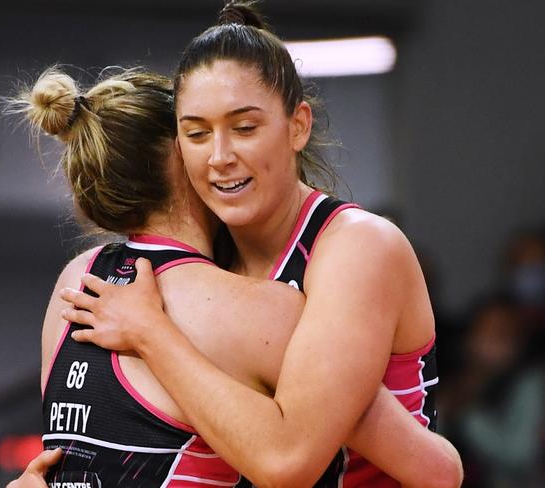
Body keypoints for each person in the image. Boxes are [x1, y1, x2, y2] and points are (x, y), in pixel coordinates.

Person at [59, 2, 463, 487]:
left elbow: (293, 460)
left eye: (245, 128)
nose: (221, 157)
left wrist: (152, 333)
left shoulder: (357, 246)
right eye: (197, 134)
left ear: (298, 125)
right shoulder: (208, 264)